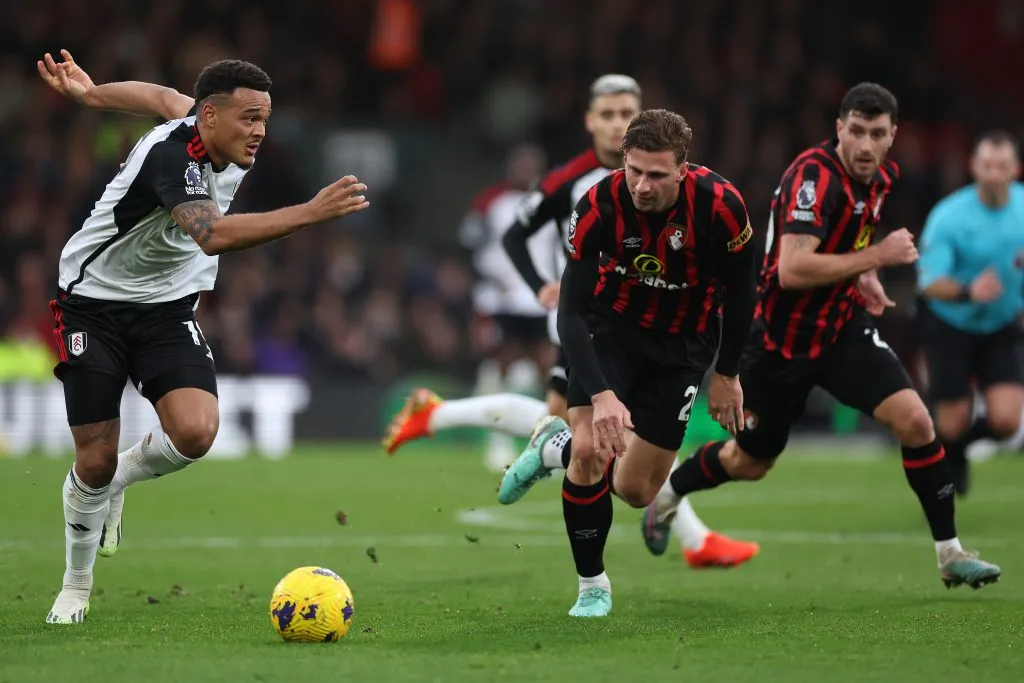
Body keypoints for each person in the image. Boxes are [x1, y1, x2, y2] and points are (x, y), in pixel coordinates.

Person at [37, 50, 371, 624]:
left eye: (264, 119)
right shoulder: (174, 158)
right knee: (90, 461)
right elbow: (211, 235)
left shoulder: (204, 120)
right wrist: (312, 213)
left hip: (165, 309)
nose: (259, 132)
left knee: (195, 433)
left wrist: (94, 96)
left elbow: (159, 97)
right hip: (92, 304)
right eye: (249, 118)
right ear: (212, 117)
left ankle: (117, 481)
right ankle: (76, 585)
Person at [383, 76, 758, 570]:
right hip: (593, 318)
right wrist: (542, 284)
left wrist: (726, 368)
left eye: (626, 111)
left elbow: (741, 286)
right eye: (607, 114)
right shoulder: (574, 182)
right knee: (586, 438)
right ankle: (688, 537)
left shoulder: (703, 198)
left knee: (599, 445)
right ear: (591, 122)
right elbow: (517, 235)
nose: (617, 122)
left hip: (672, 333)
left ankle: (440, 415)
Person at [646, 83, 1001, 591]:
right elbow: (792, 269)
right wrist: (877, 257)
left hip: (840, 333)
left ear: (891, 137)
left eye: (876, 134)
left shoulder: (882, 177)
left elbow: (843, 239)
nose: (865, 145)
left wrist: (863, 276)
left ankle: (950, 554)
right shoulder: (814, 178)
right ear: (839, 129)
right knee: (749, 462)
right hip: (776, 345)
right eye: (856, 131)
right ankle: (666, 497)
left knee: (917, 422)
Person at [504, 108, 759, 617]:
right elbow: (571, 313)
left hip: (684, 348)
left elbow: (742, 293)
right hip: (610, 332)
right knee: (591, 454)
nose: (642, 186)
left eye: (657, 175)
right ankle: (592, 585)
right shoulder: (597, 205)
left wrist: (728, 374)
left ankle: (549, 446)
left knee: (637, 490)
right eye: (634, 170)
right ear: (624, 160)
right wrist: (601, 395)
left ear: (683, 170)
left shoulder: (723, 207)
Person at [917, 131, 1024, 496]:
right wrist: (969, 291)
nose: (995, 174)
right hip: (952, 324)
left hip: (1001, 324)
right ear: (973, 168)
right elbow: (928, 282)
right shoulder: (949, 216)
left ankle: (960, 446)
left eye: (1002, 166)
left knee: (1008, 421)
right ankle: (954, 447)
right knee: (951, 423)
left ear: (1015, 170)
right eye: (988, 166)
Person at [456, 143, 556, 470]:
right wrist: (491, 277)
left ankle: (549, 441)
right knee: (500, 364)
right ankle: (496, 439)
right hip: (501, 300)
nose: (527, 172)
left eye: (532, 165)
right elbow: (470, 244)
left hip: (539, 299)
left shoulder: (550, 202)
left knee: (548, 365)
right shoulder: (490, 203)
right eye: (521, 165)